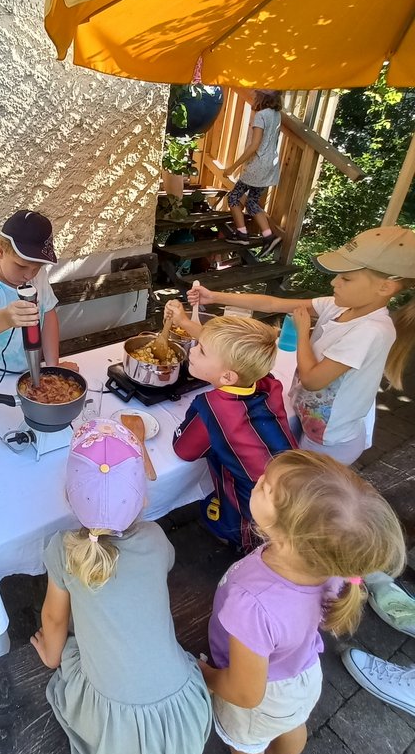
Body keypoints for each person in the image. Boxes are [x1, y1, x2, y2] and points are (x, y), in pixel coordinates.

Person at [182, 450, 407, 754]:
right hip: (301, 676)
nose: (258, 480)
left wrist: (206, 675)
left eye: (267, 487)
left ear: (291, 536)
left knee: (247, 753)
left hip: (261, 694)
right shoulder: (328, 567)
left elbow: (246, 692)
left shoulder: (253, 603)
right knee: (292, 723)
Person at [30, 418, 212, 754]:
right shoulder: (156, 539)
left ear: (68, 495)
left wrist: (51, 656)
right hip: (181, 713)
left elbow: (54, 620)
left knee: (76, 651)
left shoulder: (63, 549)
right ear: (143, 499)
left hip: (115, 729)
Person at [188, 226, 415, 466]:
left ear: (385, 287)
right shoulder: (338, 306)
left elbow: (312, 380)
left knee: (296, 482)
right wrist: (215, 297)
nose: (334, 281)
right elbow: (274, 304)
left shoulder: (371, 331)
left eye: (346, 278)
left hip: (329, 441)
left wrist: (302, 333)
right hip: (310, 420)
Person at [169, 313, 295, 552]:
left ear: (227, 376)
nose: (192, 350)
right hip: (290, 486)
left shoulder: (212, 408)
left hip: (252, 508)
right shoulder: (268, 382)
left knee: (244, 532)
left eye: (201, 351)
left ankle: (236, 543)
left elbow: (184, 450)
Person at [0, 210, 78, 379]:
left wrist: (53, 366)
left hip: (28, 372)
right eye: (21, 266)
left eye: (37, 267)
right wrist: (6, 318)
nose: (29, 275)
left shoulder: (39, 278)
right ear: (0, 251)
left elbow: (48, 314)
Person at [224, 89, 283, 256]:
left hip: (258, 165)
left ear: (261, 97)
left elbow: (254, 145)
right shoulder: (277, 115)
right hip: (270, 165)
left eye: (256, 95)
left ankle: (242, 234)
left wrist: (233, 167)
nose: (254, 96)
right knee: (252, 202)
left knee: (233, 197)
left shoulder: (261, 115)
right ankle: (269, 237)